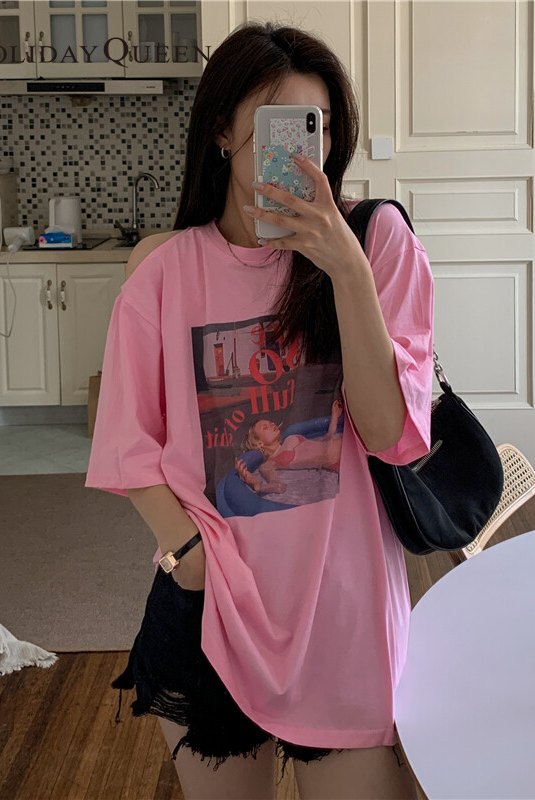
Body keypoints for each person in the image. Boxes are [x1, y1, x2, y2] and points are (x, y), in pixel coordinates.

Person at [85, 19, 433, 800]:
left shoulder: (377, 245)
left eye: (318, 127)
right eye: (281, 125)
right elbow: (127, 442)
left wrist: (345, 268)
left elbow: (388, 433)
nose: (302, 150)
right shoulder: (164, 270)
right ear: (221, 131)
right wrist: (188, 557)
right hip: (210, 612)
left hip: (342, 622)